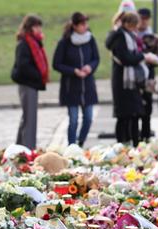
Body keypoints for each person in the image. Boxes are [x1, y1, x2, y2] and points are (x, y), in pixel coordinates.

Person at [106, 12, 158, 146]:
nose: (136, 28)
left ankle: (135, 144)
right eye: (134, 25)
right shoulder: (120, 36)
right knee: (124, 115)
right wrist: (143, 57)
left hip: (132, 81)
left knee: (135, 114)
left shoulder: (129, 36)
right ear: (127, 24)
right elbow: (126, 58)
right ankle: (123, 144)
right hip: (123, 82)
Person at [52, 12, 99, 146]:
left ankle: (81, 142)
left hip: (88, 86)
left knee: (88, 118)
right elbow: (57, 64)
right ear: (75, 26)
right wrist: (74, 71)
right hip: (71, 86)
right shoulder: (65, 42)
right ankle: (71, 146)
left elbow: (96, 58)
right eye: (82, 24)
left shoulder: (90, 39)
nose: (85, 26)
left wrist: (90, 67)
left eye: (86, 23)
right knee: (73, 120)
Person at [11, 15, 49, 150]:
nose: (39, 29)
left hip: (32, 84)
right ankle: (27, 149)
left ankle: (20, 148)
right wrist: (38, 75)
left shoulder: (34, 41)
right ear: (31, 27)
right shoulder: (25, 43)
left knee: (27, 118)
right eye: (37, 26)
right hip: (27, 84)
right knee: (30, 120)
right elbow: (23, 66)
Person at [137, 8, 158, 142]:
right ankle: (134, 139)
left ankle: (146, 137)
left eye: (145, 18)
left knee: (147, 109)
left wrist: (152, 58)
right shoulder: (132, 35)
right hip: (134, 78)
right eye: (141, 18)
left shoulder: (153, 37)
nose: (143, 21)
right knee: (134, 110)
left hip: (148, 78)